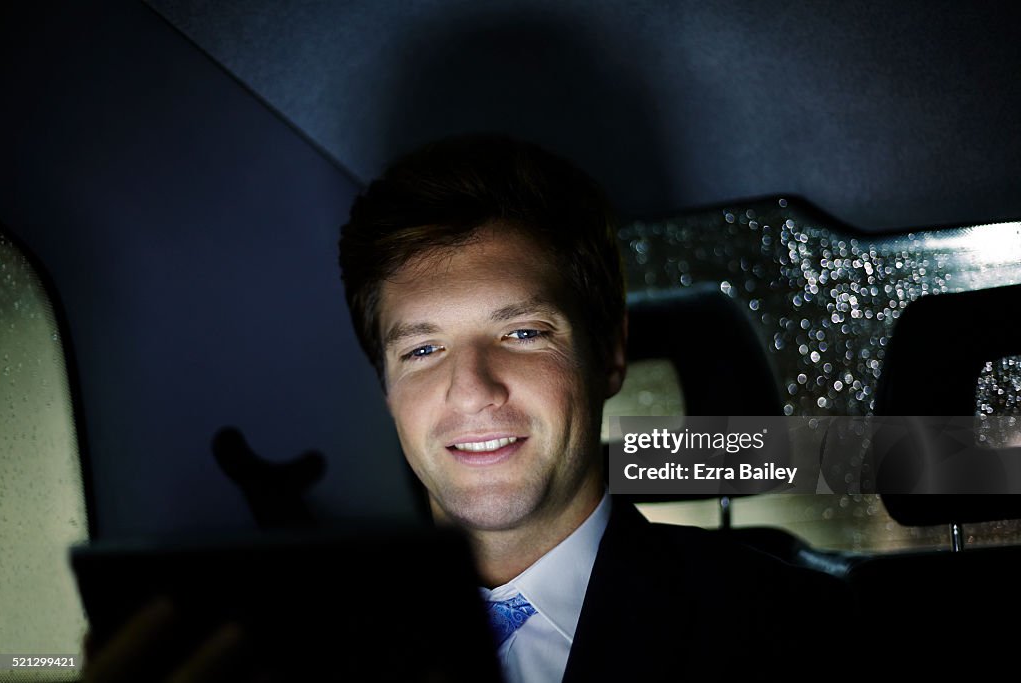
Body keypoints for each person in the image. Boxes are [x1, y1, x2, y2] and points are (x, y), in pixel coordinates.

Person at [337, 134, 858, 681]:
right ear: (386, 388)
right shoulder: (302, 648)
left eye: (522, 333)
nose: (471, 391)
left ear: (609, 356)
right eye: (422, 350)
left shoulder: (794, 632)